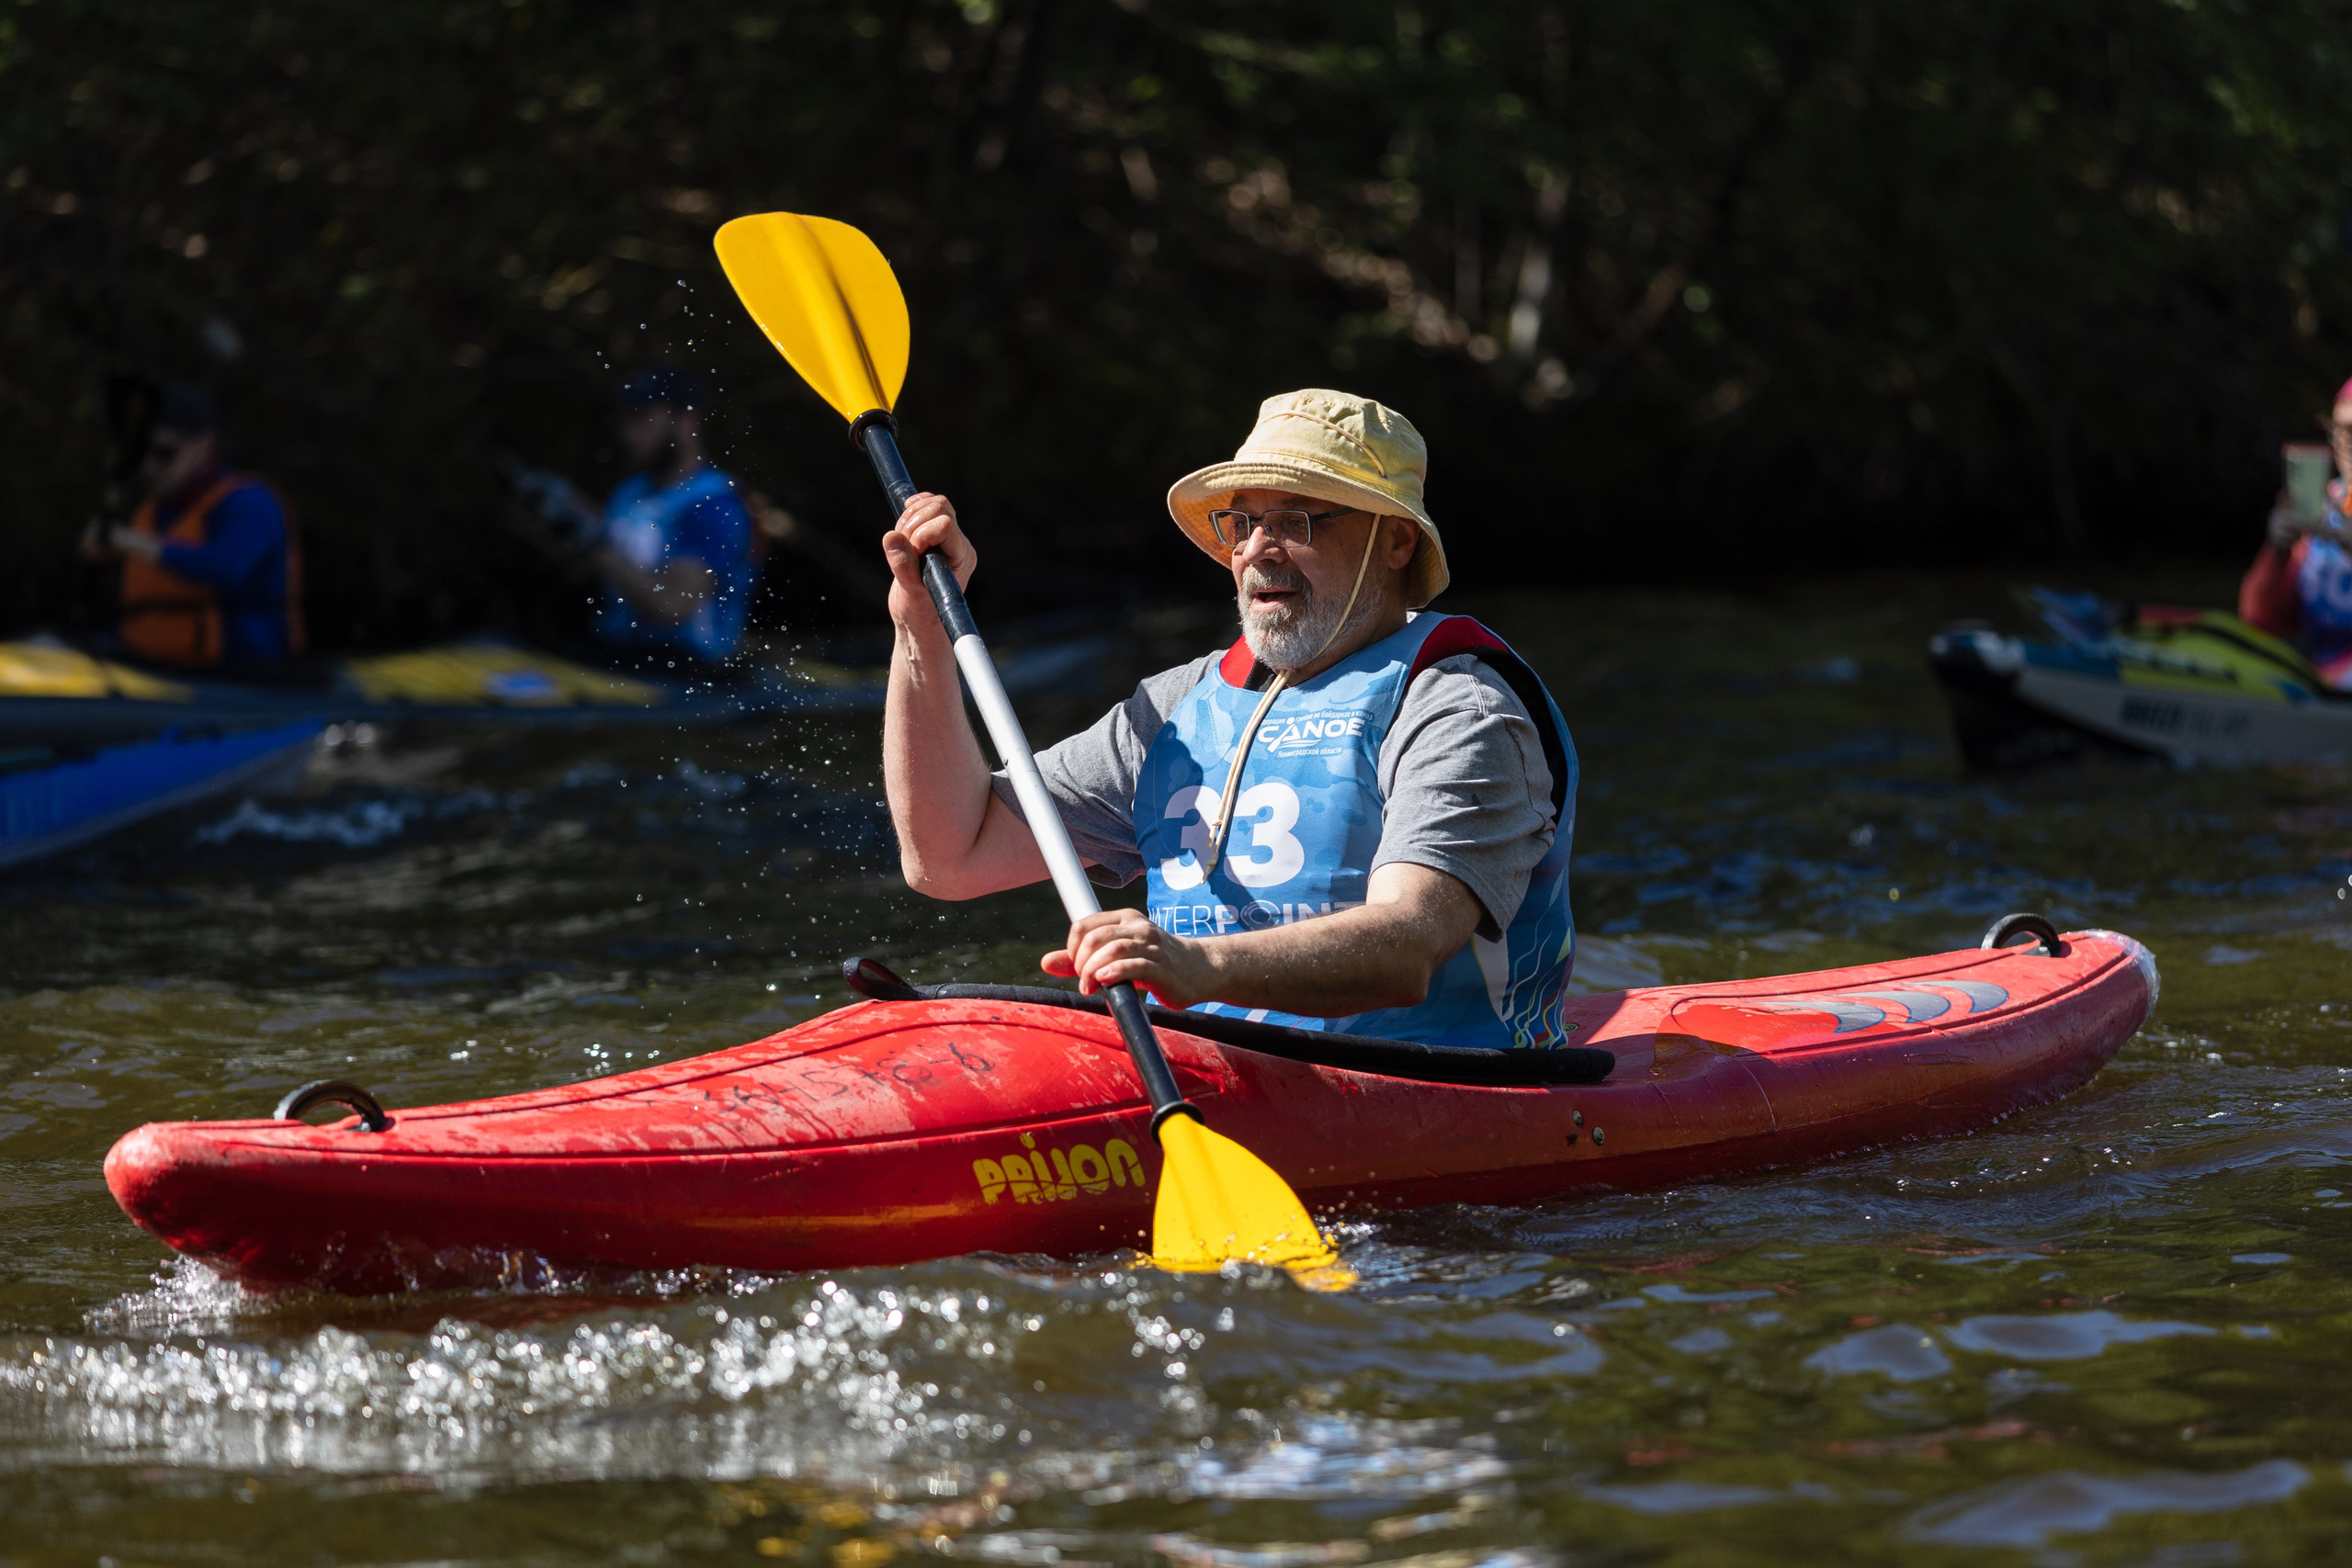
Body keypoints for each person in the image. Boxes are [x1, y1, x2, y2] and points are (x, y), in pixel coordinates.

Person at [881, 389, 1579, 1049]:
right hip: (1194, 1068)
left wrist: (1198, 964)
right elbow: (949, 856)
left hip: (1429, 1086)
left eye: (1296, 521)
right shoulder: (1177, 711)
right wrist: (919, 626)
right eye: (1243, 523)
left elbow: (1409, 943)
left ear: (1395, 542)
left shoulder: (1459, 708)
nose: (1255, 550)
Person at [512, 367, 757, 668]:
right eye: (626, 421)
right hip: (617, 653)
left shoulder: (716, 506)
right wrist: (560, 509)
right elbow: (616, 558)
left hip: (686, 670)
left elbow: (671, 605)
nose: (629, 435)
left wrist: (594, 545)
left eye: (643, 420)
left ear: (686, 422)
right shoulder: (630, 492)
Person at [79, 381, 303, 671]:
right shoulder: (156, 509)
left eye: (165, 453)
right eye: (144, 452)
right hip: (153, 667)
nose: (150, 466)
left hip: (242, 675)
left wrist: (132, 542)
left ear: (203, 446)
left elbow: (229, 568)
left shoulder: (249, 502)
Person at [2241, 378, 2352, 689]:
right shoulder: (2322, 510)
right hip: (2316, 687)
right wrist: (2276, 551)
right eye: (2338, 430)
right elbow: (2261, 623)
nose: (2345, 443)